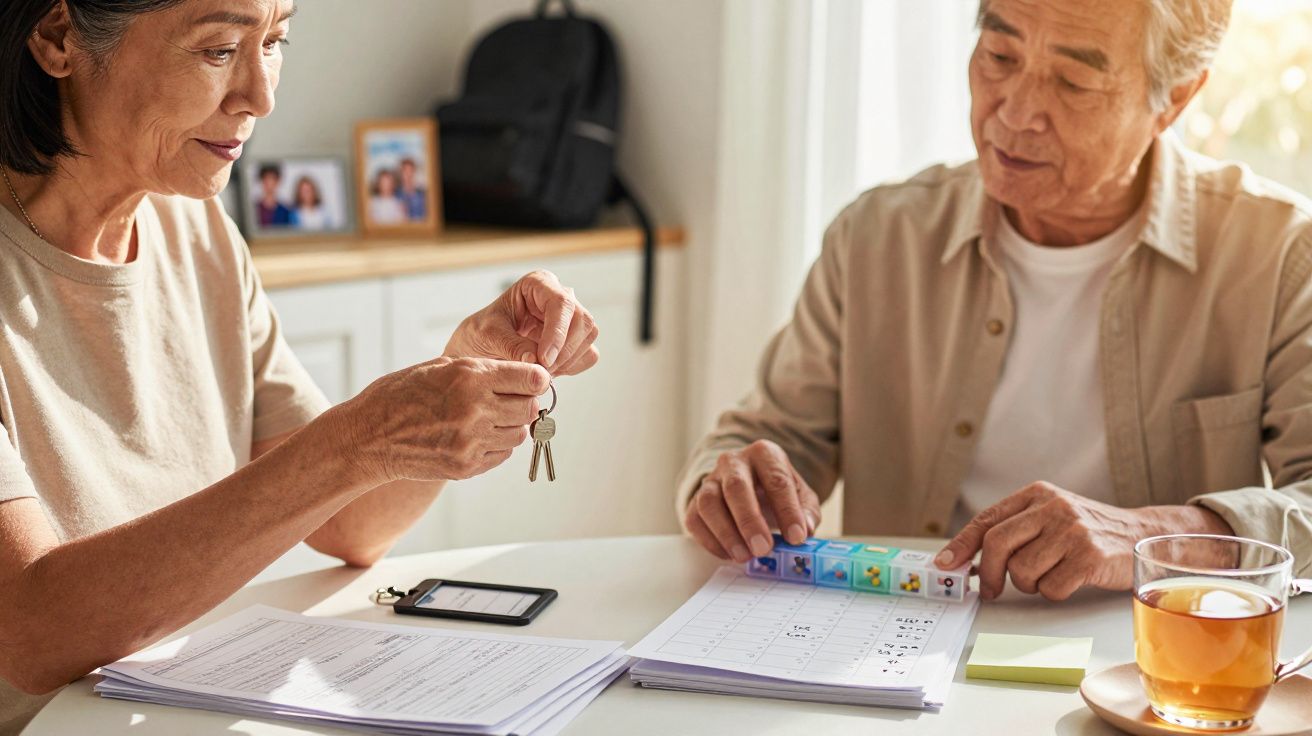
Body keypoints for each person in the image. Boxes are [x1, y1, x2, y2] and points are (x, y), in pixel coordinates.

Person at [0, 1, 601, 732]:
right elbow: (31, 632)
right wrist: (355, 440)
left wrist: (463, 367)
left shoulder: (194, 229)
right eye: (219, 50)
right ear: (59, 37)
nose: (261, 94)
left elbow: (350, 524)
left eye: (275, 41)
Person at [678, 0, 1312, 603]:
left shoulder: (1279, 254)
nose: (1015, 113)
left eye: (1071, 81)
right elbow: (771, 432)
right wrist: (733, 484)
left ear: (1173, 100)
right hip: (898, 654)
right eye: (999, 56)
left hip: (1149, 668)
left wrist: (1147, 535)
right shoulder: (877, 236)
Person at [254, 162, 293, 227]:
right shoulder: (255, 209)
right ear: (262, 181)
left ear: (278, 181)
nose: (269, 183)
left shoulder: (285, 211)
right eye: (266, 179)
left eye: (272, 179)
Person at [397, 157, 428, 222]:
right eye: (405, 171)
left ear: (414, 172)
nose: (408, 174)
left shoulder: (422, 194)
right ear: (400, 173)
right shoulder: (396, 194)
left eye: (411, 171)